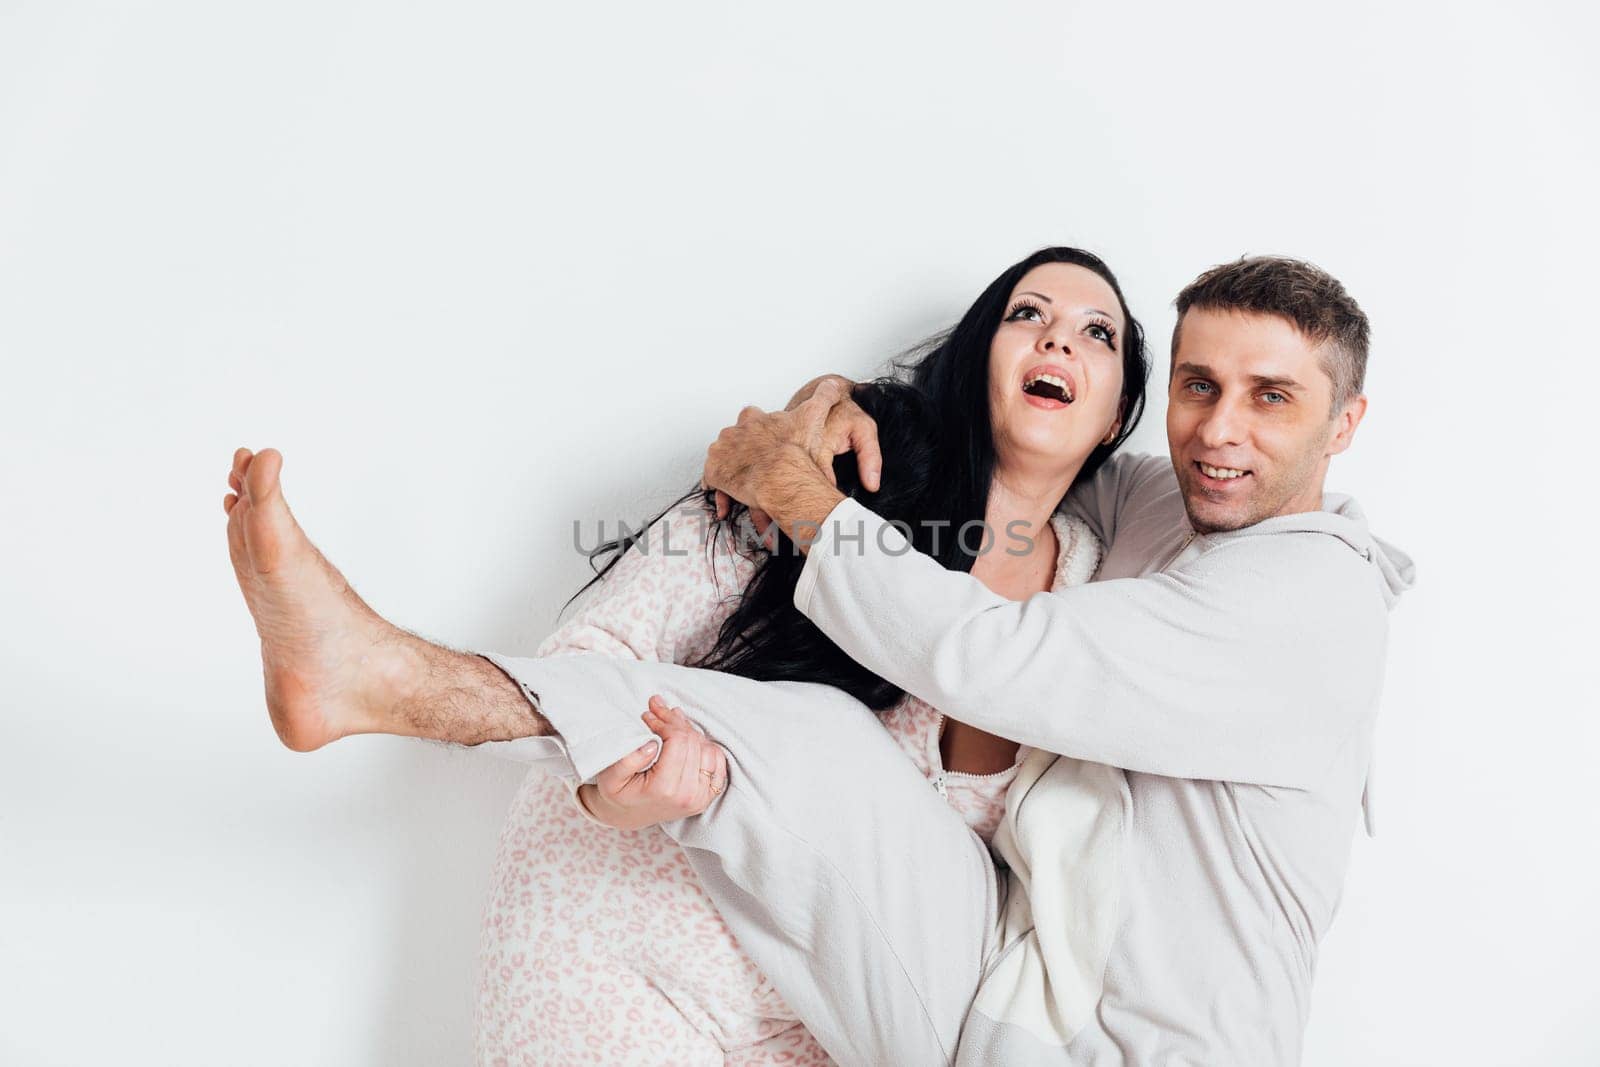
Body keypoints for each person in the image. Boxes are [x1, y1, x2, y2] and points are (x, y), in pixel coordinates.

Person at [223, 249, 1150, 1064]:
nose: (1057, 341)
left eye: (1095, 333)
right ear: (978, 355)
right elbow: (605, 649)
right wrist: (615, 791)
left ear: (1115, 418)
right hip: (629, 933)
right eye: (1027, 315)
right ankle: (364, 674)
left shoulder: (1104, 603)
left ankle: (370, 675)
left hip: (833, 1025)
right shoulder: (834, 467)